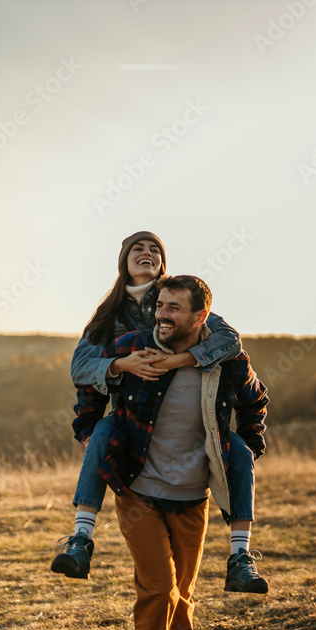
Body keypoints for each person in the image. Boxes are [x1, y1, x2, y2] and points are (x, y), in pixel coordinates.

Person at [51, 232, 262, 591]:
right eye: (138, 248)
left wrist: (181, 359)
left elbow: (229, 340)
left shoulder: (179, 296)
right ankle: (81, 538)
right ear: (124, 260)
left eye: (155, 250)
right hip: (136, 426)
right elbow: (81, 370)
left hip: (187, 429)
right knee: (102, 433)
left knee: (237, 453)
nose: (147, 253)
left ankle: (240, 556)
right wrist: (122, 365)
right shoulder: (109, 317)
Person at [72, 274, 269, 630]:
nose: (161, 315)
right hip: (138, 492)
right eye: (160, 305)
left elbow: (255, 400)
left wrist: (247, 447)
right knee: (158, 591)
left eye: (173, 308)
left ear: (202, 316)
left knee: (182, 598)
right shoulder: (132, 349)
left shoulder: (227, 362)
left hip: (194, 498)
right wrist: (91, 435)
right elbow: (89, 390)